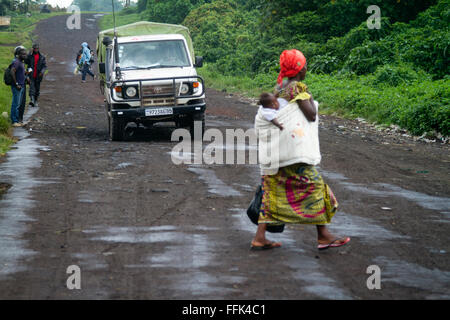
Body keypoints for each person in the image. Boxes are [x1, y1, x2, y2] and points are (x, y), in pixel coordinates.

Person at [252, 49, 350, 251]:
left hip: (277, 154)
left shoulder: (278, 88)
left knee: (272, 192)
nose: (306, 68)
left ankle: (260, 237)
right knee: (316, 187)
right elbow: (311, 115)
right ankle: (323, 236)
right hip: (293, 155)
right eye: (304, 64)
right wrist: (307, 96)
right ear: (299, 69)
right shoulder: (297, 89)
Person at [10, 47, 27, 127]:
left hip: (22, 86)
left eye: (25, 54)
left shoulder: (21, 62)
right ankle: (14, 121)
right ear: (18, 54)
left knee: (18, 104)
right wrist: (16, 83)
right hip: (17, 86)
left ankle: (17, 120)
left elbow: (20, 73)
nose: (25, 55)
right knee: (15, 104)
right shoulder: (16, 62)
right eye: (23, 54)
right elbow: (12, 72)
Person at [26, 43, 47, 108]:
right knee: (32, 88)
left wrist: (42, 72)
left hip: (38, 76)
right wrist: (29, 53)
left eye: (37, 48)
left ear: (38, 49)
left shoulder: (42, 57)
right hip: (31, 75)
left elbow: (44, 66)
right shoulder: (30, 56)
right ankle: (32, 100)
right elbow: (26, 61)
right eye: (34, 49)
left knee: (37, 89)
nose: (36, 50)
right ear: (33, 49)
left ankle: (35, 101)